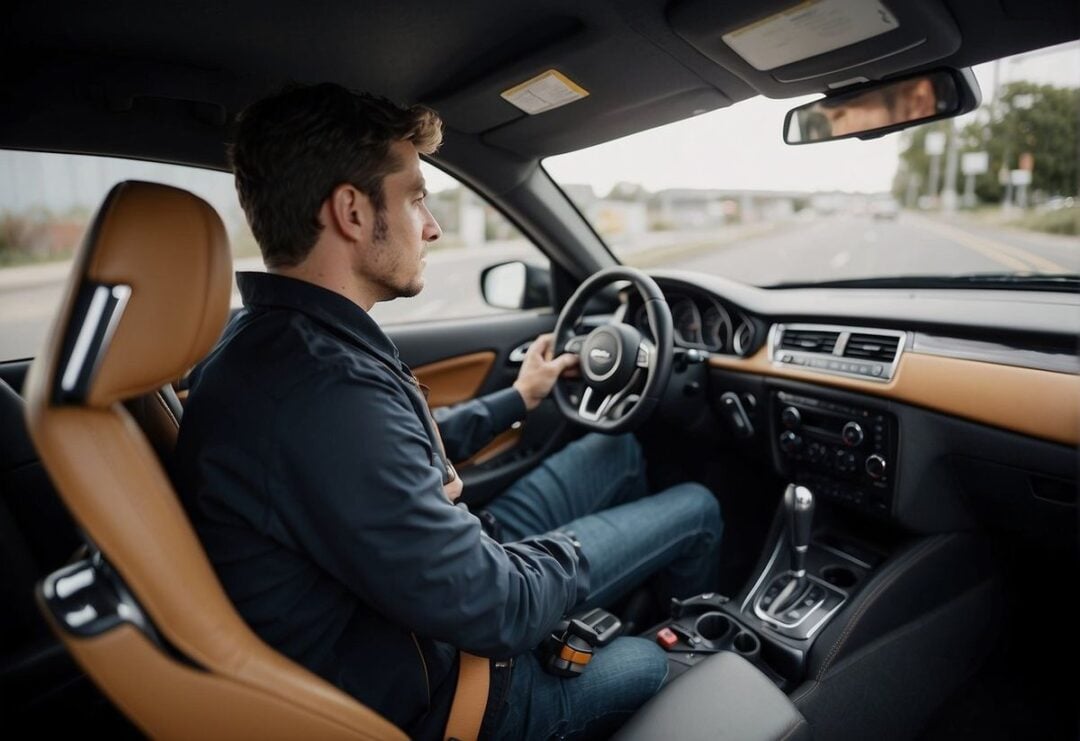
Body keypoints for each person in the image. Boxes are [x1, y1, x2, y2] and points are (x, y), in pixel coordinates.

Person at [174, 83, 723, 740]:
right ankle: (693, 654)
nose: (430, 225)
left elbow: (403, 452)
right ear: (350, 210)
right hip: (466, 685)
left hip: (433, 585)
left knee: (617, 450)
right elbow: (503, 606)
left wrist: (521, 397)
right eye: (415, 198)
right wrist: (583, 554)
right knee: (695, 518)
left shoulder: (269, 347)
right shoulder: (324, 395)